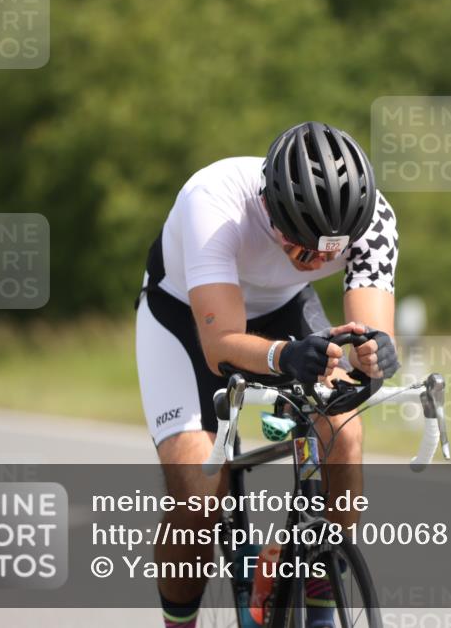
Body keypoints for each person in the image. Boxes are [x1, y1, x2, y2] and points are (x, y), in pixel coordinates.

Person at [134, 121, 400, 628]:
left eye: (331, 251)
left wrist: (374, 358)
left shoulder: (374, 218)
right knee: (197, 487)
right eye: (304, 247)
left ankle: (304, 577)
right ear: (271, 210)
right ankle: (179, 621)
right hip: (186, 318)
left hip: (282, 309)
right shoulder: (213, 201)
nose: (319, 260)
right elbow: (219, 348)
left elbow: (370, 334)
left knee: (345, 435)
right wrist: (284, 357)